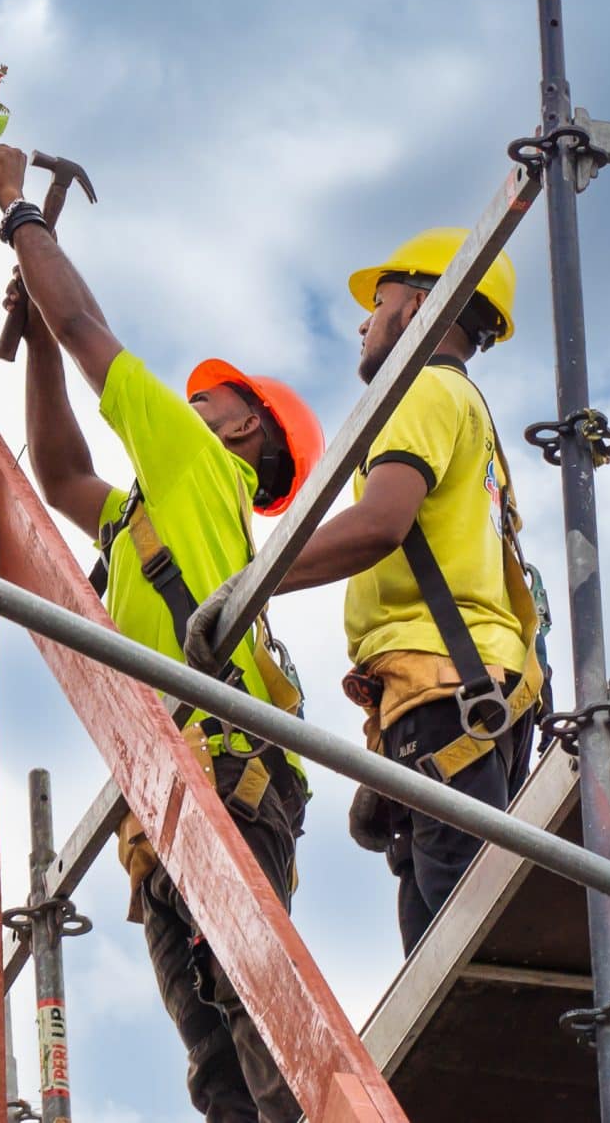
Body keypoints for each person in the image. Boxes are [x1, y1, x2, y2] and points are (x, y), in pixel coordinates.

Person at [0, 142, 323, 1123]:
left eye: (213, 392)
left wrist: (16, 208)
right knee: (219, 1071)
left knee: (262, 1039)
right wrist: (40, 343)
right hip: (174, 802)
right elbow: (59, 478)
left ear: (243, 430)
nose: (192, 394)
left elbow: (87, 324)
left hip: (222, 777)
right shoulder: (150, 518)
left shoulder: (195, 462)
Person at [212, 228, 552, 953]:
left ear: (422, 304)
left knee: (459, 938)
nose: (365, 321)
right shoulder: (466, 407)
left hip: (444, 691)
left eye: (380, 300)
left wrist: (250, 585)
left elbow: (380, 523)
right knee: (434, 938)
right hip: (467, 695)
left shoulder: (421, 386)